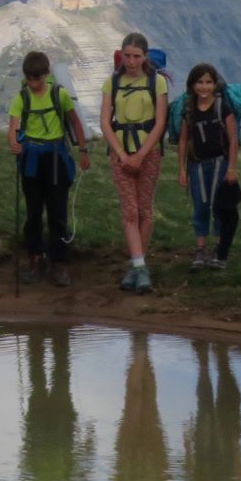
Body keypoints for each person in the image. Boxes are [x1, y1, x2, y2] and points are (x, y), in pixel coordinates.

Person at [7, 51, 91, 287]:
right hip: (32, 158)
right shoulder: (21, 97)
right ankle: (35, 258)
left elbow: (75, 120)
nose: (33, 83)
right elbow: (13, 127)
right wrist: (13, 142)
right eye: (29, 79)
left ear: (45, 75)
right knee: (33, 213)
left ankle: (58, 263)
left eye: (37, 79)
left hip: (55, 158)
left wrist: (83, 150)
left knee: (57, 214)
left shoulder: (59, 94)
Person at [100, 31, 168, 293]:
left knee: (145, 210)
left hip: (148, 152)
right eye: (127, 56)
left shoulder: (157, 82)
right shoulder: (111, 83)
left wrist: (140, 155)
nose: (131, 61)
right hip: (121, 150)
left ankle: (136, 265)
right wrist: (121, 153)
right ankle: (140, 268)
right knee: (130, 210)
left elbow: (160, 122)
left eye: (136, 56)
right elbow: (105, 121)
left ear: (145, 56)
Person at [176, 62, 240, 270]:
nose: (204, 87)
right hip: (197, 165)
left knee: (219, 207)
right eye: (199, 82)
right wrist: (182, 169)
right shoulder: (189, 109)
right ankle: (201, 248)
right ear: (192, 84)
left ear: (215, 84)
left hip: (220, 164)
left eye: (208, 82)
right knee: (200, 206)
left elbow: (233, 139)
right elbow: (183, 140)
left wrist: (232, 168)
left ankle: (219, 249)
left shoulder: (223, 108)